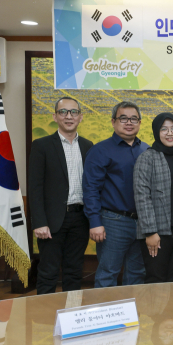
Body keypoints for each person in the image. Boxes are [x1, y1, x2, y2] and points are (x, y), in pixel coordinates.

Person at [28, 97, 93, 294]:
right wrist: (39, 222)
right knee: (48, 272)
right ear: (55, 116)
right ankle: (46, 313)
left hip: (80, 219)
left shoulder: (88, 146)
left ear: (80, 117)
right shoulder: (42, 146)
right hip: (52, 221)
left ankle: (71, 312)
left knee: (74, 272)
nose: (69, 116)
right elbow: (35, 187)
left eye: (74, 112)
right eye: (63, 112)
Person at [83, 101, 149, 287]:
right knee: (107, 274)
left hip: (142, 223)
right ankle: (105, 307)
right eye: (123, 118)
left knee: (137, 273)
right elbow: (90, 188)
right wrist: (95, 222)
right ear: (113, 122)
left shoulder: (147, 150)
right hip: (113, 222)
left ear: (139, 123)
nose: (129, 122)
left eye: (133, 119)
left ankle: (133, 308)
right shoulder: (100, 150)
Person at [133, 113, 173, 284]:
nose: (170, 133)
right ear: (156, 132)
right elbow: (141, 195)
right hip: (157, 232)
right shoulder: (147, 158)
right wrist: (150, 232)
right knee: (156, 279)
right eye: (164, 129)